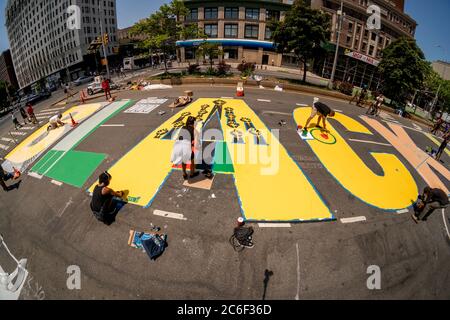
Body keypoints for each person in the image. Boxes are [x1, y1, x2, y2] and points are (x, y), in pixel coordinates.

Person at [171, 116, 200, 180]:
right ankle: (192, 173)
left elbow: (178, 138)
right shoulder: (195, 131)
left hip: (177, 147)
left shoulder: (182, 128)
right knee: (193, 159)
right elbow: (197, 145)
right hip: (186, 147)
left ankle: (184, 174)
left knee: (184, 159)